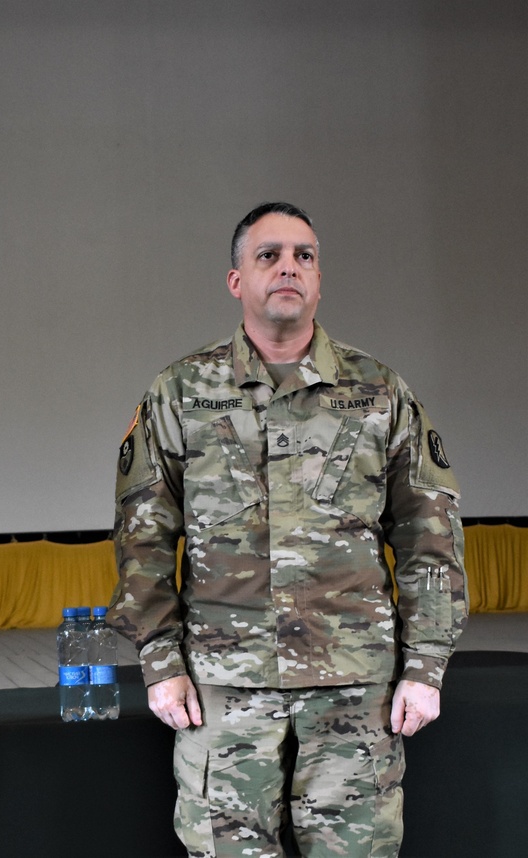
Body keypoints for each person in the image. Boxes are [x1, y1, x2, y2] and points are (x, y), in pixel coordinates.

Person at [107, 201, 466, 857]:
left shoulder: (379, 392)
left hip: (355, 685)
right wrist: (160, 662)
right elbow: (142, 541)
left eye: (304, 255)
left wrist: (426, 665)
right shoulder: (181, 393)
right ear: (236, 280)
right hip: (225, 680)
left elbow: (429, 537)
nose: (288, 268)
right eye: (267, 255)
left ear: (320, 279)